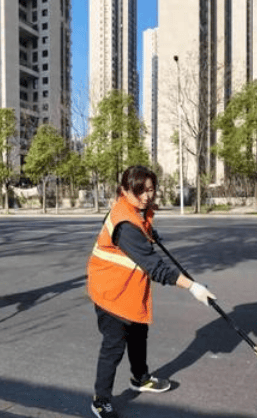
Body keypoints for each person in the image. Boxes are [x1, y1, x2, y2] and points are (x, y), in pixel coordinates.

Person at [86, 165, 217, 418]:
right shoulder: (125, 225)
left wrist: (149, 233)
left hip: (128, 289)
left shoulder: (135, 211)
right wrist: (193, 287)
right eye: (139, 191)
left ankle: (140, 378)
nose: (147, 196)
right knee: (114, 347)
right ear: (124, 190)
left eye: (150, 189)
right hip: (111, 292)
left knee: (138, 333)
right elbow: (156, 268)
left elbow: (141, 228)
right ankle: (101, 400)